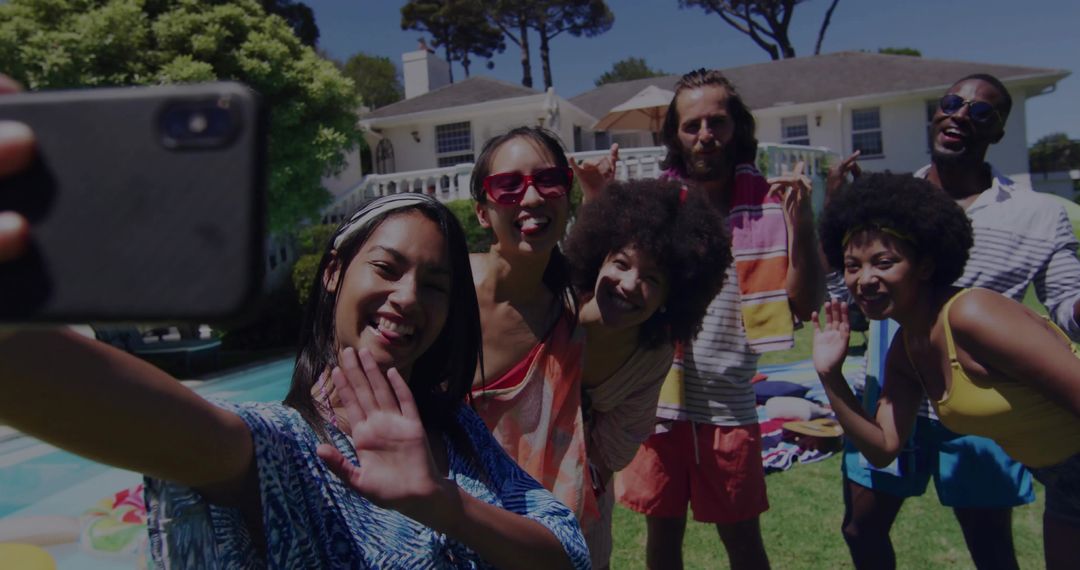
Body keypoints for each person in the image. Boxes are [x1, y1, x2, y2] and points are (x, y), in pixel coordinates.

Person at [0, 88, 589, 567]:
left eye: (435, 285)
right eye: (386, 268)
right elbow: (152, 420)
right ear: (333, 273)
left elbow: (565, 550)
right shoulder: (286, 448)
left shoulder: (457, 429)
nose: (408, 298)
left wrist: (448, 508)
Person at [827, 74, 1080, 570]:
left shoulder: (1033, 222)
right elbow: (849, 291)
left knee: (990, 548)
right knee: (861, 526)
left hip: (991, 404)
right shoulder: (888, 204)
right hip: (912, 394)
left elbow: (1068, 305)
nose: (962, 114)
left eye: (982, 112)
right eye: (951, 102)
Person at [615, 68, 824, 570]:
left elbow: (806, 302)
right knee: (662, 540)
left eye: (717, 122)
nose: (705, 136)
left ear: (737, 128)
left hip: (729, 406)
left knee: (744, 545)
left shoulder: (771, 206)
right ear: (674, 135)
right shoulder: (656, 209)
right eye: (691, 126)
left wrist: (802, 219)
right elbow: (619, 292)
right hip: (658, 404)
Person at [563, 178, 731, 569]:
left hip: (577, 506)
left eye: (652, 279)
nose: (629, 284)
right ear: (598, 258)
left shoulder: (651, 357)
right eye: (621, 263)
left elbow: (613, 451)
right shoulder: (551, 311)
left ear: (672, 298)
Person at [466, 126, 596, 526]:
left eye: (549, 180)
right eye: (507, 185)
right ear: (482, 212)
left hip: (538, 538)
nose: (533, 197)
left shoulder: (572, 312)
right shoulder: (445, 292)